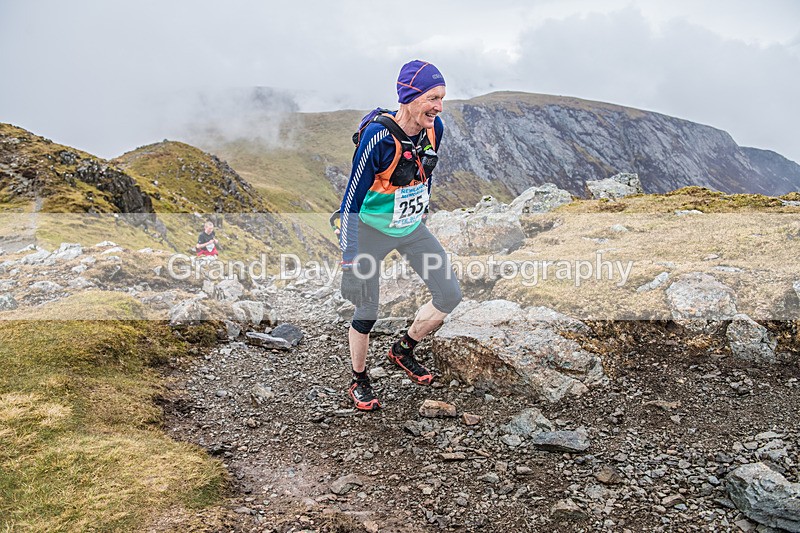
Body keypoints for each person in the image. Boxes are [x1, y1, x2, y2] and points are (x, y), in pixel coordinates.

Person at [338, 60, 462, 411]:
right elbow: (350, 201)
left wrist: (420, 211)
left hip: (410, 228)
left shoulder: (434, 128)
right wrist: (349, 261)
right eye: (432, 98)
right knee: (367, 310)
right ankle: (359, 378)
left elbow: (426, 172)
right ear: (409, 97)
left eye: (442, 98)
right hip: (371, 231)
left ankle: (403, 350)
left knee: (449, 295)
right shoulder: (378, 138)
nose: (439, 107)